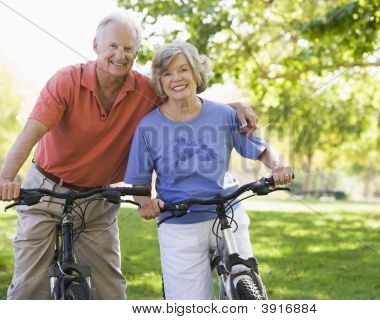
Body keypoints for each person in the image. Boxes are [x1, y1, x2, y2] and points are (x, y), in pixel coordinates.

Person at [0, 12, 258, 300]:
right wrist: (7, 177)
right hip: (46, 191)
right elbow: (31, 132)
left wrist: (232, 107)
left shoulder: (145, 90)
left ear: (136, 53)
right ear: (96, 46)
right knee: (28, 287)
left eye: (128, 49)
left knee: (110, 290)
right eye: (112, 46)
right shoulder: (66, 81)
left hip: (98, 199)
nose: (120, 55)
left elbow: (186, 100)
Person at [124, 40, 294, 300]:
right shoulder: (148, 127)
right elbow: (138, 184)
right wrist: (145, 203)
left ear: (196, 73)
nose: (176, 78)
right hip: (179, 222)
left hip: (228, 213)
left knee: (247, 289)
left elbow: (260, 149)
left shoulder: (224, 114)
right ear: (159, 81)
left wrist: (278, 166)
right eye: (167, 73)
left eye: (183, 69)